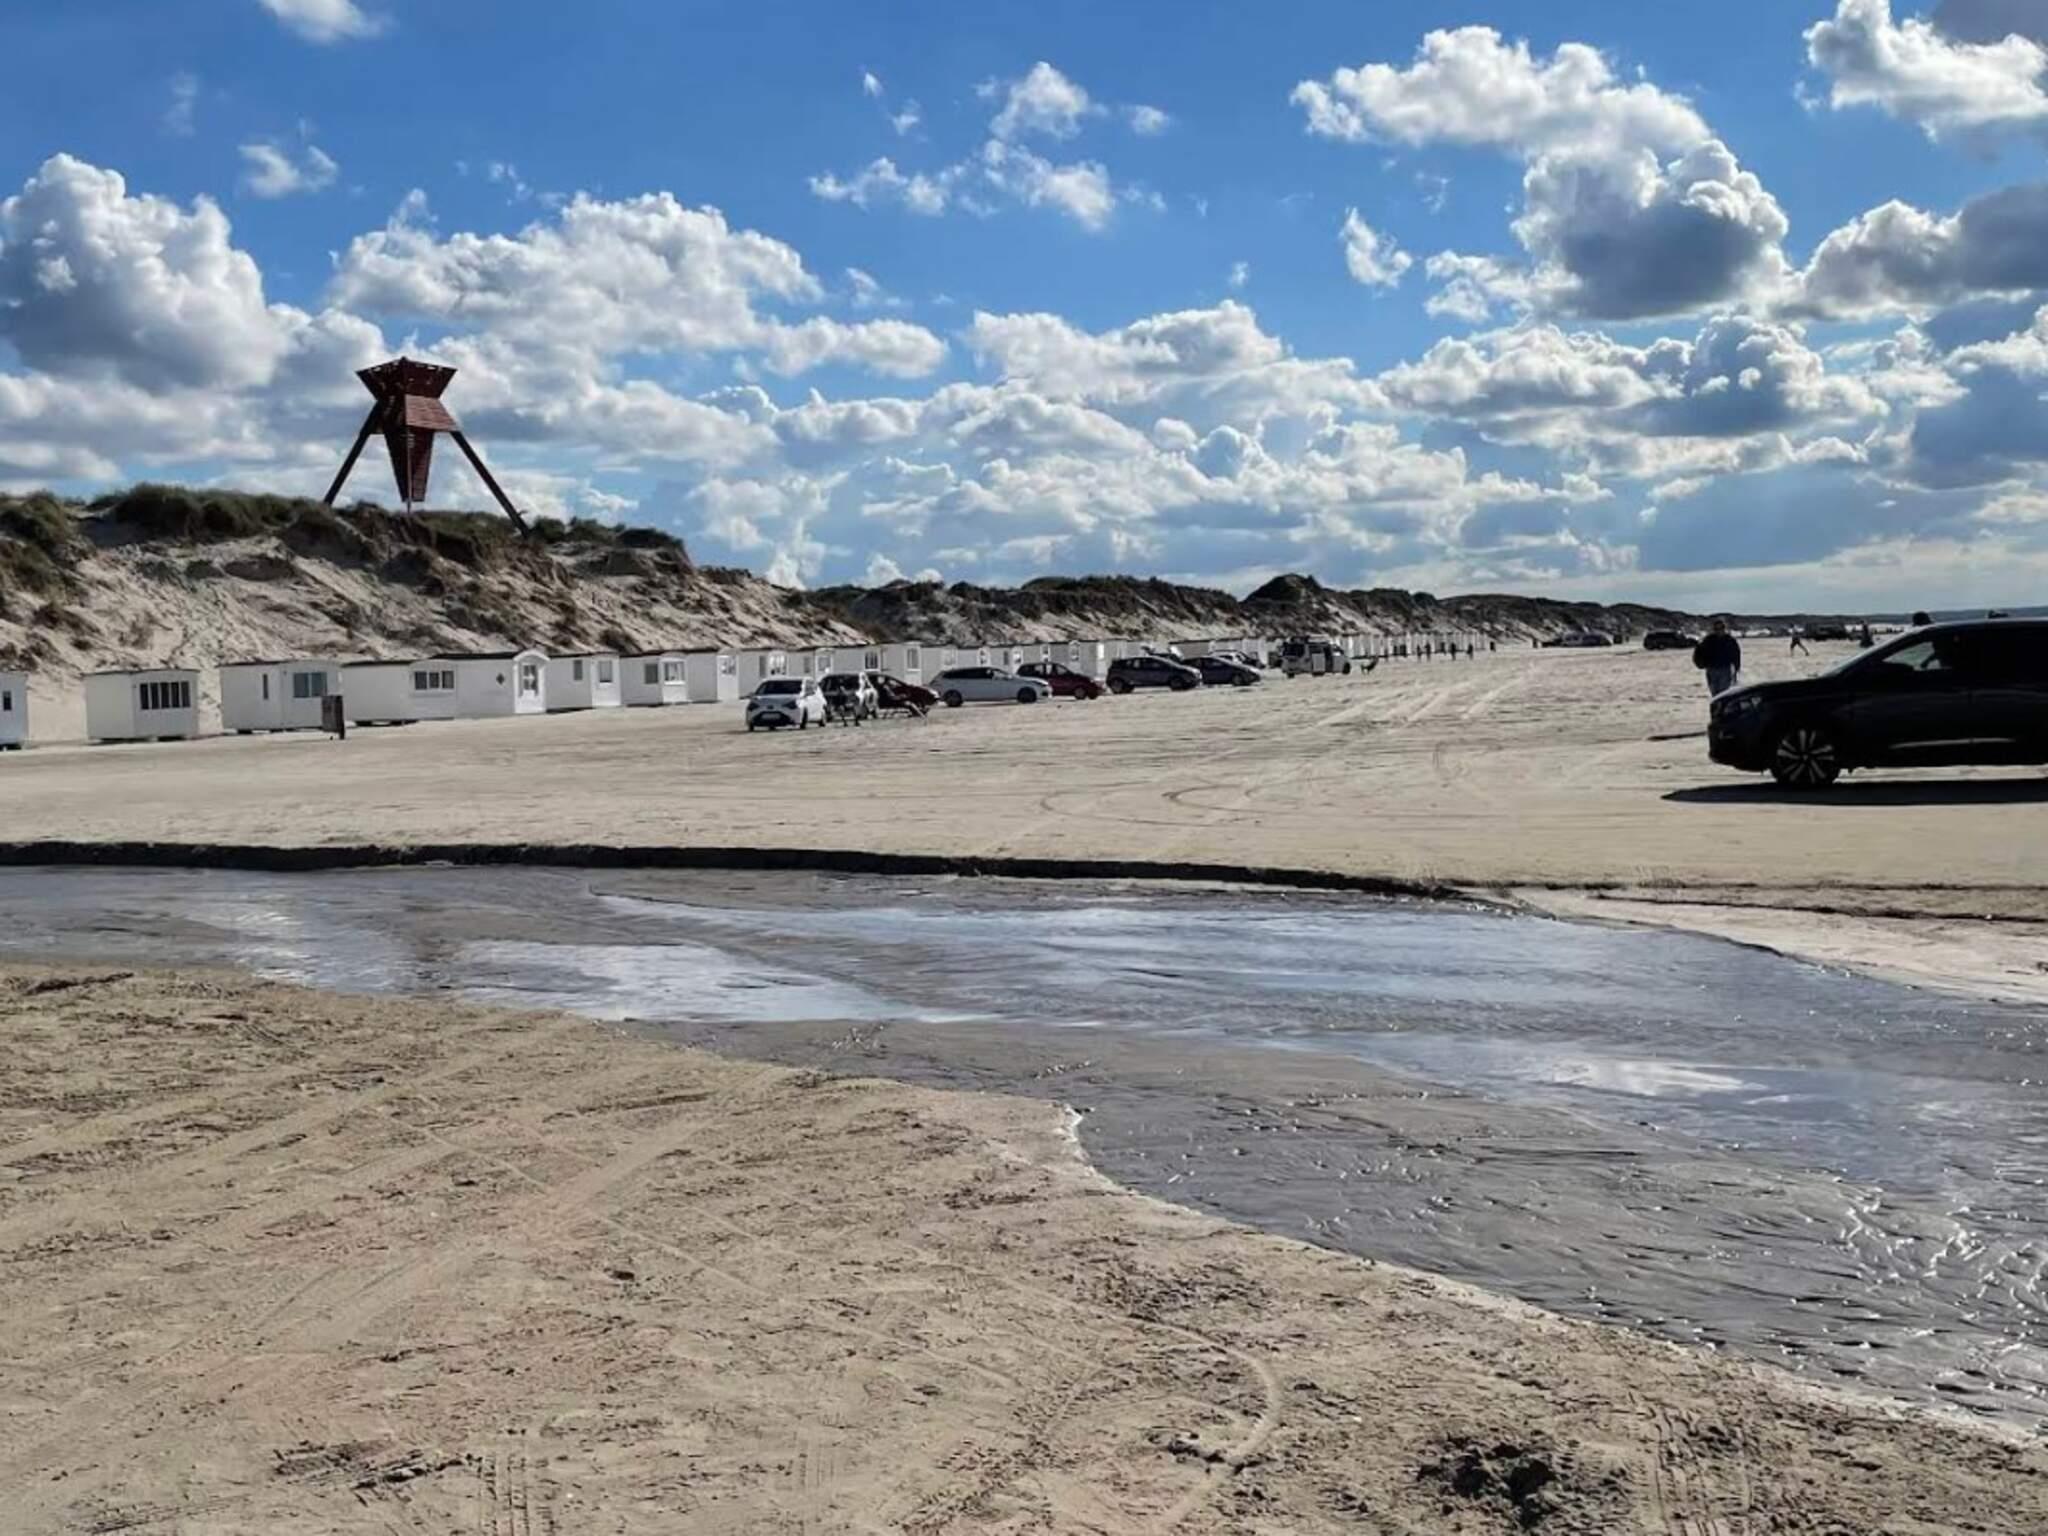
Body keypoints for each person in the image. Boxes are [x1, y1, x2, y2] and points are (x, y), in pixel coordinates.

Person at [1692, 619, 1741, 696]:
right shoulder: (1708, 640)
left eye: (1721, 628)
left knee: (1723, 693)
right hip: (1711, 670)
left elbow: (1736, 655)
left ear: (1724, 628)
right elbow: (1699, 652)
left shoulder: (1730, 640)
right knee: (1714, 693)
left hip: (1725, 669)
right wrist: (1700, 664)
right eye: (1716, 629)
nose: (1719, 631)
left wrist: (1736, 668)